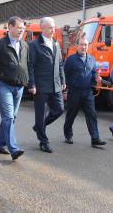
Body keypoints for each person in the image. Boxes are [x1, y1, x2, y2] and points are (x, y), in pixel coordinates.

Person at [0, 16, 28, 161]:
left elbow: (27, 65)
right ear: (10, 27)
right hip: (4, 85)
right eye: (19, 28)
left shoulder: (25, 45)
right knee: (9, 117)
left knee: (11, 117)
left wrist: (27, 81)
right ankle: (13, 148)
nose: (21, 31)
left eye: (23, 28)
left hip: (19, 86)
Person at [28, 17, 66, 153]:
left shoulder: (56, 43)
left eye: (54, 27)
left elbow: (60, 64)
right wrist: (32, 84)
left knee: (59, 109)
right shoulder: (34, 45)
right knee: (40, 114)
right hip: (41, 85)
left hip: (55, 84)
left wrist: (63, 81)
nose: (53, 29)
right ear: (42, 28)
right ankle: (43, 141)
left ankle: (39, 126)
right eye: (50, 27)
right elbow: (30, 66)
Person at [63, 37, 107, 146]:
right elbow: (64, 75)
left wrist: (97, 77)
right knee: (71, 115)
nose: (83, 47)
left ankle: (95, 138)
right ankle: (68, 135)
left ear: (88, 46)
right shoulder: (71, 59)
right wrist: (64, 90)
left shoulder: (91, 59)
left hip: (87, 92)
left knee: (91, 115)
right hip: (74, 92)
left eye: (85, 45)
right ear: (77, 46)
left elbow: (93, 72)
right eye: (81, 45)